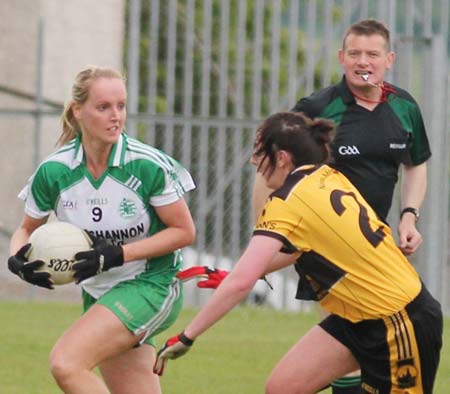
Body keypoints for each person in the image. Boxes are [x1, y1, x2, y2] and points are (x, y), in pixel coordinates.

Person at [154, 112, 442, 394]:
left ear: (282, 158)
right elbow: (298, 251)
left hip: (398, 320)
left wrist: (187, 336)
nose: (253, 161)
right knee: (284, 387)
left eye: (259, 153)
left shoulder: (288, 201)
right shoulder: (326, 175)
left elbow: (243, 281)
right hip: (358, 315)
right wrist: (239, 275)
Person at [252, 19, 431, 393]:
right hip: (327, 248)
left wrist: (409, 217)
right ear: (341, 58)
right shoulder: (318, 108)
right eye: (354, 53)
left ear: (389, 59)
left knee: (367, 344)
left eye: (372, 54)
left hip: (379, 248)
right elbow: (267, 165)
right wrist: (264, 236)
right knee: (352, 339)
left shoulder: (404, 107)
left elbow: (416, 164)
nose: (362, 61)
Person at [7, 66, 196, 394]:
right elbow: (25, 230)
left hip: (151, 284)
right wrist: (17, 259)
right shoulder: (55, 171)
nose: (116, 116)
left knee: (66, 363)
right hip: (99, 292)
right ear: (78, 111)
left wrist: (118, 254)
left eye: (121, 106)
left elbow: (183, 232)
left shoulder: (146, 165)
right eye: (104, 107)